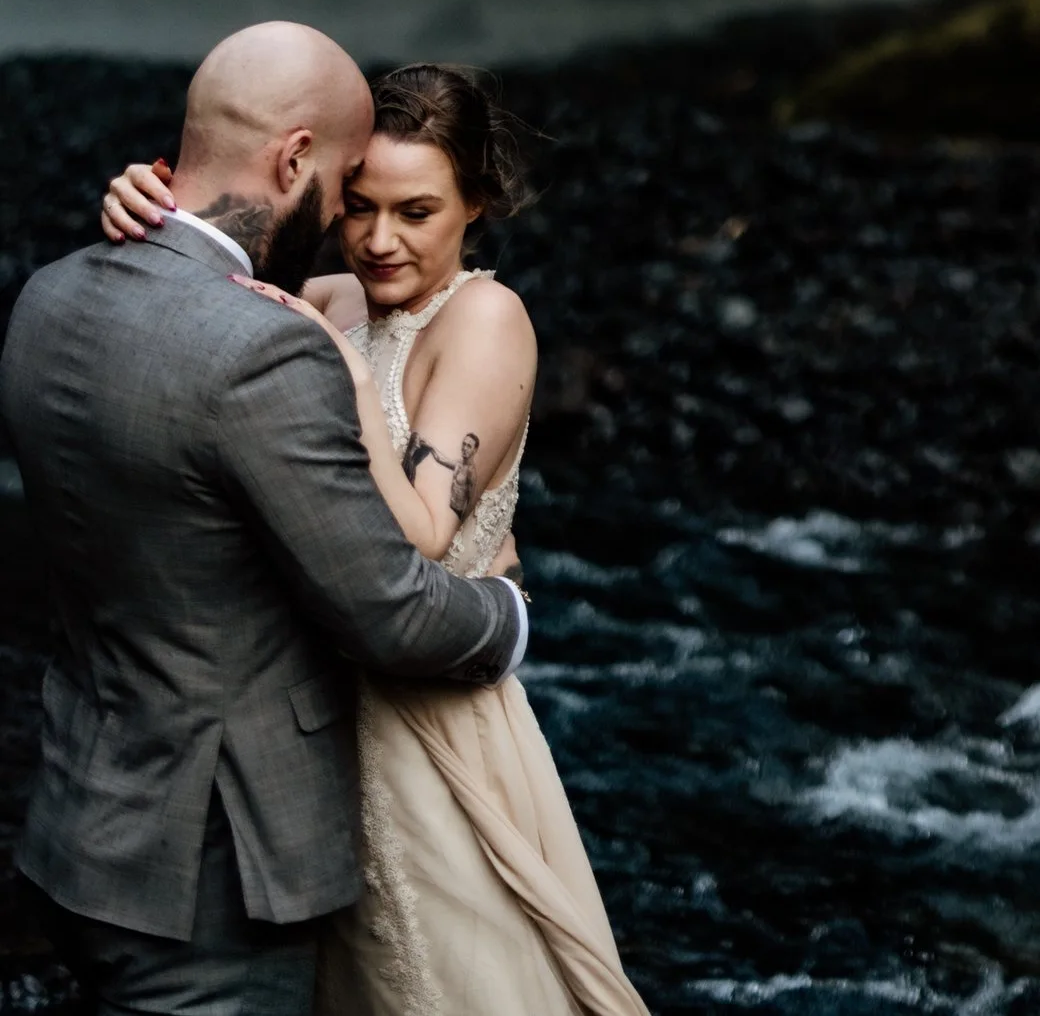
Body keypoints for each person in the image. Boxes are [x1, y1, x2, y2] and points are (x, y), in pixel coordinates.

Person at [0, 22, 528, 1015]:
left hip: (83, 822)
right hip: (216, 866)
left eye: (411, 208)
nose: (355, 231)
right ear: (292, 158)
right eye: (343, 195)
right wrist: (511, 612)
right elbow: (395, 610)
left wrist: (146, 206)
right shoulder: (269, 348)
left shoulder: (50, 296)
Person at [98, 63, 645, 1016]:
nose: (380, 242)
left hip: (432, 734)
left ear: (477, 203)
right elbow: (197, 304)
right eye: (359, 208)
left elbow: (425, 536)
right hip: (321, 731)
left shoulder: (484, 317)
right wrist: (142, 207)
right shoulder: (342, 296)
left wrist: (347, 380)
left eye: (418, 211)